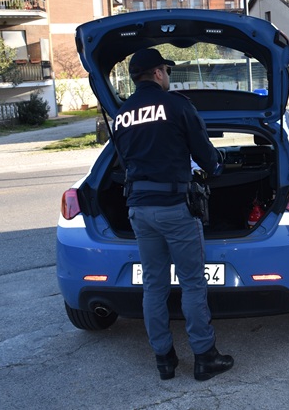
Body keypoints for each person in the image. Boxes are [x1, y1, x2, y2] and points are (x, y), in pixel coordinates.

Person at [113, 47, 234, 381]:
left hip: (138, 208)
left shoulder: (121, 114)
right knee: (193, 283)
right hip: (174, 208)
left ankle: (164, 360)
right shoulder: (177, 106)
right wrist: (216, 167)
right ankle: (205, 358)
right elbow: (204, 152)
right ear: (157, 73)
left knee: (154, 285)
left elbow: (124, 161)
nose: (168, 75)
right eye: (167, 70)